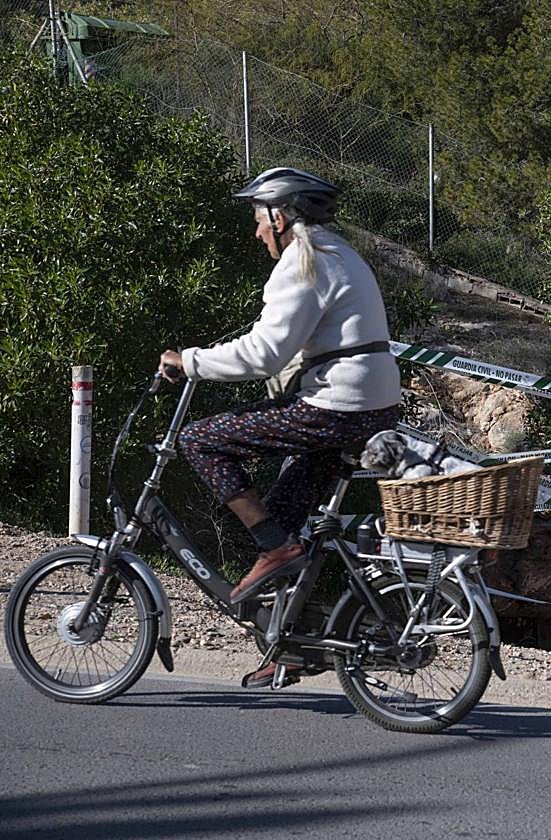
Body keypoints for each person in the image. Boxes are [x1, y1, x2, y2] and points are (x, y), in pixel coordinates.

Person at [159, 166, 402, 685]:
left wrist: (190, 362)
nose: (256, 231)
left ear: (281, 213)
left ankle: (276, 551)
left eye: (258, 217)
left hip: (339, 408)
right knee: (286, 516)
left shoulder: (304, 261)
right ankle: (290, 643)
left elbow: (265, 353)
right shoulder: (337, 252)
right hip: (368, 404)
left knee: (199, 439)